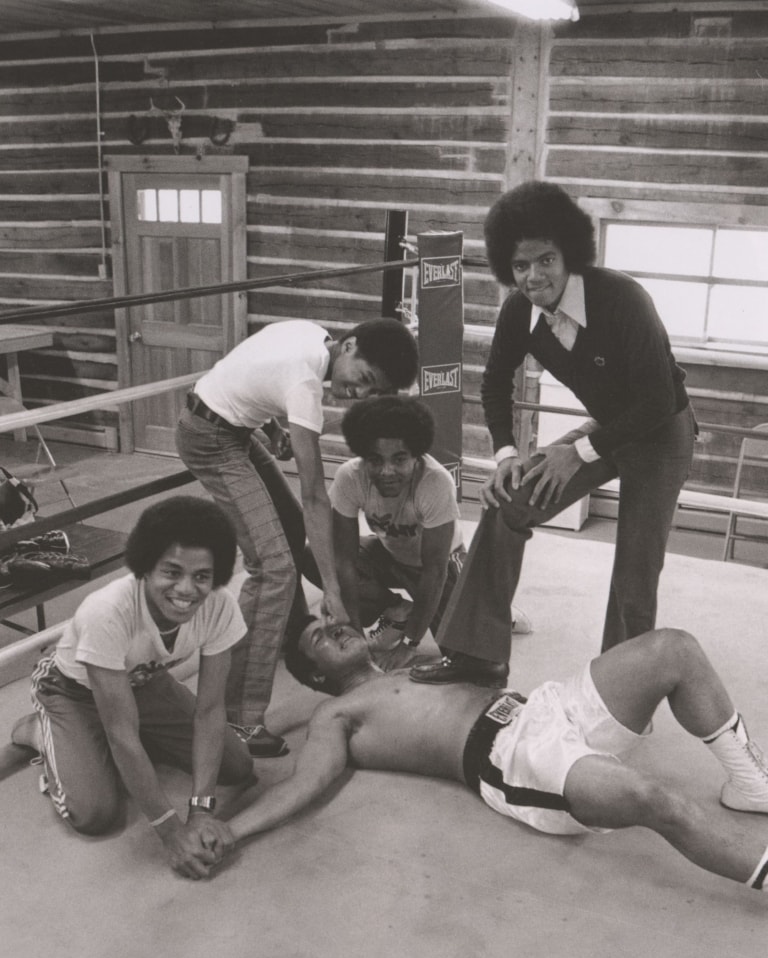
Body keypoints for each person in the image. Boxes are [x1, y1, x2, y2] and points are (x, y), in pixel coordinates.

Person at [209, 618, 768, 893]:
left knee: (671, 647)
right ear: (316, 676)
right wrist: (231, 831)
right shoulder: (336, 714)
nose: (335, 628)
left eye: (331, 622)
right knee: (652, 799)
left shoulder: (412, 662)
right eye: (319, 641)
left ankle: (751, 782)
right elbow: (307, 783)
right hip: (510, 755)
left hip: (544, 705)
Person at [411, 181, 696, 687]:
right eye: (520, 266)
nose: (533, 276)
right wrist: (505, 456)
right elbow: (495, 383)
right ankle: (480, 654)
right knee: (508, 502)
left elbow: (657, 401)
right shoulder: (519, 312)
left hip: (661, 431)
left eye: (545, 260)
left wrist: (577, 452)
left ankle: (621, 687)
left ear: (570, 254)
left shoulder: (624, 299)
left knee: (635, 569)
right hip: (608, 427)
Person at [176, 317, 419, 755]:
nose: (359, 394)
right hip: (210, 438)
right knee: (273, 567)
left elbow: (245, 372)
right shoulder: (306, 384)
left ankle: (287, 640)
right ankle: (238, 717)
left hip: (235, 427)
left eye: (373, 390)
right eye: (363, 379)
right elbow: (314, 496)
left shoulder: (312, 335)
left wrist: (271, 428)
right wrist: (332, 591)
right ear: (349, 347)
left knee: (286, 535)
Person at [9, 496, 255, 880]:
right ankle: (40, 731)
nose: (187, 590)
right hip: (73, 691)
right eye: (171, 572)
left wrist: (201, 810)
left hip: (143, 681)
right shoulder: (107, 611)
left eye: (202, 576)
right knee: (93, 814)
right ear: (145, 567)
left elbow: (210, 710)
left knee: (235, 765)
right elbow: (121, 733)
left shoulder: (220, 606)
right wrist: (171, 831)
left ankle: (121, 739)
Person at [329, 396, 529, 672]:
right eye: (375, 460)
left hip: (442, 564)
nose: (387, 471)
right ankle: (399, 609)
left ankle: (495, 609)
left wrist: (408, 645)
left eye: (399, 459)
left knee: (468, 659)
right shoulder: (349, 477)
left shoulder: (435, 481)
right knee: (314, 556)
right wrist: (355, 639)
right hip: (390, 555)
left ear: (416, 455)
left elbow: (434, 572)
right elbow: (344, 561)